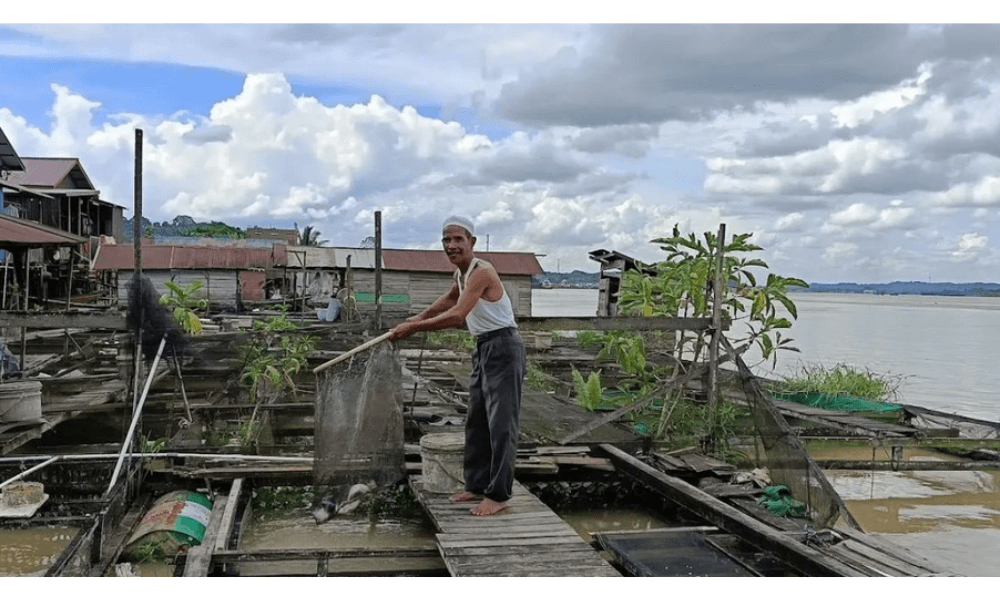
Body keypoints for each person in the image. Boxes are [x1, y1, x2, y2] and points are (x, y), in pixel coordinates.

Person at [389, 215, 526, 516]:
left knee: (501, 424)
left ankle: (499, 494)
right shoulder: (461, 276)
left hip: (504, 347)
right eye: (446, 241)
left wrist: (414, 329)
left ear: (472, 243)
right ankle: (476, 485)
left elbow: (457, 315)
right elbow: (449, 299)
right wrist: (416, 318)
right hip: (484, 347)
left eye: (458, 240)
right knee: (476, 419)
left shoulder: (481, 272)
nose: (451, 246)